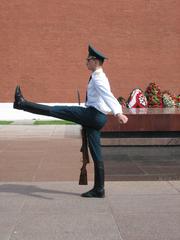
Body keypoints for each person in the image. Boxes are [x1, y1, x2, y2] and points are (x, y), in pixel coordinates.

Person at [13, 45, 128, 198]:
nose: (86, 62)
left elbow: (108, 95)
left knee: (58, 110)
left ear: (95, 61)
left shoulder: (99, 77)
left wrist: (118, 112)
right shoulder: (98, 75)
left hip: (92, 115)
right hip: (96, 118)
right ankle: (99, 189)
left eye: (88, 59)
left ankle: (21, 103)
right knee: (96, 154)